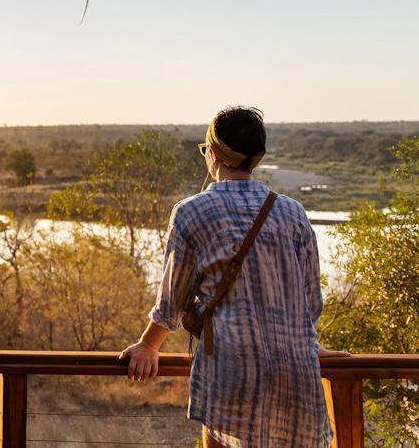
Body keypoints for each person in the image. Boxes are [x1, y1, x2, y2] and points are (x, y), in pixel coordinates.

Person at [118, 106, 350, 448]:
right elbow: (310, 302)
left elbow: (172, 301)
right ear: (255, 158)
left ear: (212, 153)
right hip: (295, 372)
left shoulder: (192, 212)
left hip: (232, 371)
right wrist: (308, 344)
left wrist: (149, 345)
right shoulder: (293, 213)